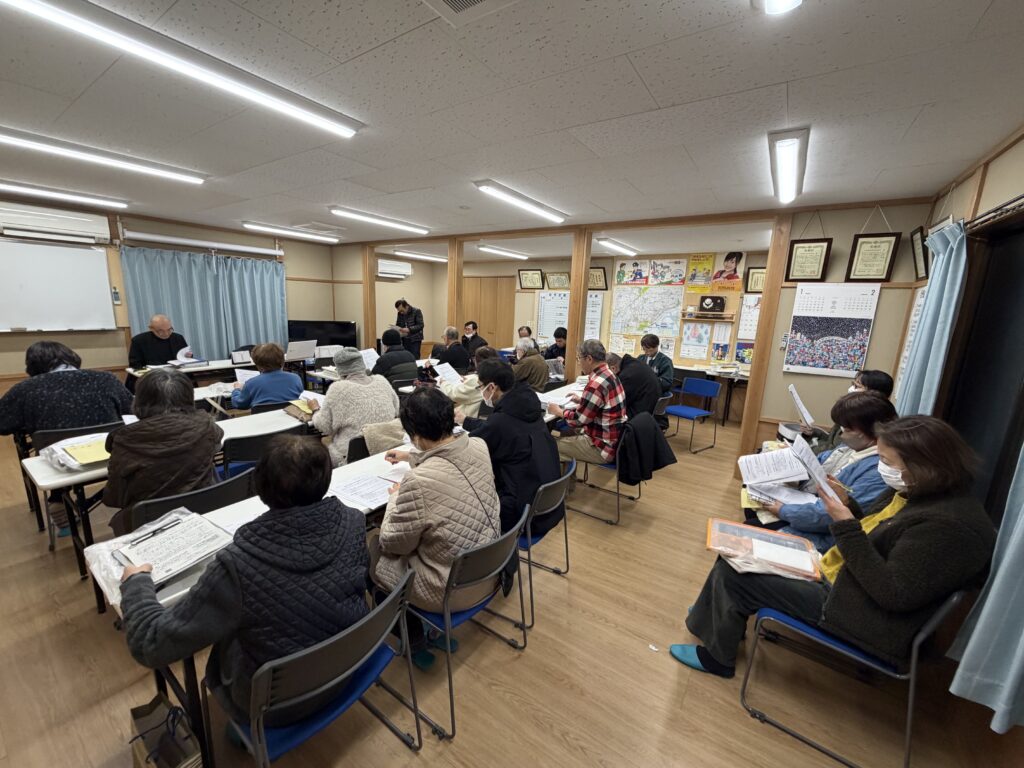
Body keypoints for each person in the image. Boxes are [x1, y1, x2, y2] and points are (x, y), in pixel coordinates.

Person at [671, 416, 996, 678]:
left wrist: (844, 523)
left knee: (735, 575)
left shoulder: (947, 528)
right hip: (845, 579)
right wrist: (848, 505)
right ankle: (715, 619)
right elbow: (877, 529)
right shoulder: (922, 492)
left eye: (885, 460)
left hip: (857, 611)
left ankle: (718, 659)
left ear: (919, 466)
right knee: (738, 548)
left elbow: (892, 593)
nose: (881, 467)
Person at [119, 435, 370, 725]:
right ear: (326, 478)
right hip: (348, 666)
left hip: (276, 705)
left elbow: (150, 643)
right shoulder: (354, 522)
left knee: (231, 634)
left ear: (259, 487)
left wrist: (136, 584)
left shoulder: (237, 564)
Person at [373, 388, 501, 667]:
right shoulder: (479, 445)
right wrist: (410, 457)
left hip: (450, 591)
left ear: (416, 435)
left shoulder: (417, 482)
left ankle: (415, 641)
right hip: (488, 571)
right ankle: (433, 633)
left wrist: (395, 499)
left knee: (375, 559)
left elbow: (394, 543)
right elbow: (448, 456)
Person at [0, 341, 133, 533]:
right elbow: (131, 410)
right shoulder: (107, 379)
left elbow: (3, 425)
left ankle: (58, 499)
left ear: (32, 366)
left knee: (57, 448)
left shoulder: (25, 389)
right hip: (113, 455)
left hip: (60, 464)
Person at [756, 392, 896, 551]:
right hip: (807, 503)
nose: (842, 435)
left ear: (867, 432)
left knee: (753, 526)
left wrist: (783, 511)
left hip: (823, 532)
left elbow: (830, 515)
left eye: (846, 429)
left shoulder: (878, 472)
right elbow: (822, 460)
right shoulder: (853, 447)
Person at [104, 368, 224, 534]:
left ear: (139, 400)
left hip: (149, 523)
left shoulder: (125, 439)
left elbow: (114, 498)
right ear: (189, 397)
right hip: (203, 508)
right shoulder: (207, 425)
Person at [458, 359, 563, 534]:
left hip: (520, 514)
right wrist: (466, 421)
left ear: (492, 387)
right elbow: (493, 428)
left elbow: (468, 448)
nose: (480, 391)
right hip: (548, 503)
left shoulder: (502, 421)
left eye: (480, 387)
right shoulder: (528, 406)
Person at [309, 348, 400, 465]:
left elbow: (324, 427)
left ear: (339, 370)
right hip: (387, 449)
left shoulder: (337, 389)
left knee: (321, 442)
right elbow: (396, 410)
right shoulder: (382, 381)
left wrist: (315, 410)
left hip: (350, 456)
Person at [547, 339, 627, 465]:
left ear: (589, 359)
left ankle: (564, 478)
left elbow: (578, 421)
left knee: (549, 446)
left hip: (601, 447)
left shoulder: (596, 383)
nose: (579, 363)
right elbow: (603, 404)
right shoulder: (610, 375)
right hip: (612, 441)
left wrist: (558, 411)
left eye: (579, 358)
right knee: (561, 435)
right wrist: (582, 400)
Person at [809, 369, 894, 455]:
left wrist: (810, 449)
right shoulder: (850, 412)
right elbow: (831, 440)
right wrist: (814, 432)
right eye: (853, 384)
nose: (851, 389)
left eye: (857, 386)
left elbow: (836, 451)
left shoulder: (864, 421)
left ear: (873, 393)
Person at [229, 343, 303, 410]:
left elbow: (239, 404)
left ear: (257, 364)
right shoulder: (295, 378)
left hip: (263, 419)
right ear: (283, 361)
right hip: (290, 418)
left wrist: (236, 390)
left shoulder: (251, 383)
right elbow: (300, 398)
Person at [437, 346, 499, 418]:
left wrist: (443, 383)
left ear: (476, 362)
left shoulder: (476, 381)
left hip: (467, 418)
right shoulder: (498, 376)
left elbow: (454, 395)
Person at [607, 352, 662, 419]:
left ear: (613, 368)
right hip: (649, 407)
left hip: (641, 414)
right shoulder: (634, 364)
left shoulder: (627, 375)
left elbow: (618, 403)